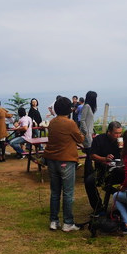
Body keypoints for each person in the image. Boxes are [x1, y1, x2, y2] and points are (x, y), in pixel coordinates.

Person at [43, 96, 85, 232]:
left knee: (55, 192)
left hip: (52, 160)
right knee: (67, 193)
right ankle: (68, 222)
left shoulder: (52, 122)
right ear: (69, 109)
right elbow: (80, 138)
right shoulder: (70, 123)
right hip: (66, 160)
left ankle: (54, 221)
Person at [84, 121, 124, 214]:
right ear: (109, 132)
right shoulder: (99, 139)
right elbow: (92, 155)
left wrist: (123, 150)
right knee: (89, 181)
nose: (118, 135)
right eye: (116, 133)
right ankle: (98, 207)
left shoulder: (122, 140)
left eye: (120, 133)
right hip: (102, 170)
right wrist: (104, 159)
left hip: (120, 170)